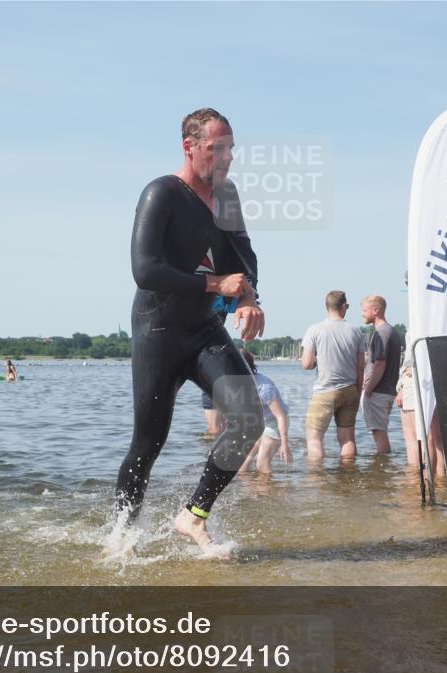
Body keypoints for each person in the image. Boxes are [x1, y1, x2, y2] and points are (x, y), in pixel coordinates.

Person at [114, 107, 265, 558]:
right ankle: (121, 535)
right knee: (148, 443)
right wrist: (217, 285)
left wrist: (249, 298)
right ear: (190, 147)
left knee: (249, 418)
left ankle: (193, 515)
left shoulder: (227, 197)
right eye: (218, 149)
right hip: (158, 331)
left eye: (231, 149)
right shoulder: (161, 193)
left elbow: (244, 261)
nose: (227, 158)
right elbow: (145, 270)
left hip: (203, 330)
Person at [301, 290, 365, 460]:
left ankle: (317, 475)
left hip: (325, 391)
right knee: (347, 438)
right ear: (344, 306)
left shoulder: (314, 330)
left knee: (314, 439)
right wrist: (358, 392)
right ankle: (348, 473)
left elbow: (306, 364)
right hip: (350, 390)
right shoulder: (356, 331)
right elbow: (361, 368)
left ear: (327, 307)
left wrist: (317, 361)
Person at [360, 295, 402, 454]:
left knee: (379, 433)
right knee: (380, 432)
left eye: (364, 310)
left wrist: (368, 389)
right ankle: (383, 465)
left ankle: (381, 465)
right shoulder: (390, 331)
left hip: (378, 391)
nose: (362, 314)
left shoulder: (382, 332)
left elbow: (380, 364)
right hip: (387, 390)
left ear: (375, 310)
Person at [237, 349, 291, 474]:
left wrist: (284, 444)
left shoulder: (264, 387)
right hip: (260, 424)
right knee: (242, 466)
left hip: (274, 423)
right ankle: (250, 487)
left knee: (262, 465)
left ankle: (268, 486)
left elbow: (281, 416)